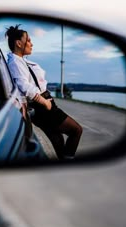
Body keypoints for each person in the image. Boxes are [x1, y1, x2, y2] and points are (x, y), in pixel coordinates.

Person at [5, 24, 82, 161]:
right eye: (28, 40)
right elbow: (24, 86)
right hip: (42, 106)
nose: (31, 44)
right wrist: (44, 102)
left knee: (57, 138)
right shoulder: (15, 63)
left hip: (42, 105)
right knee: (76, 130)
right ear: (18, 43)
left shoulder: (20, 61)